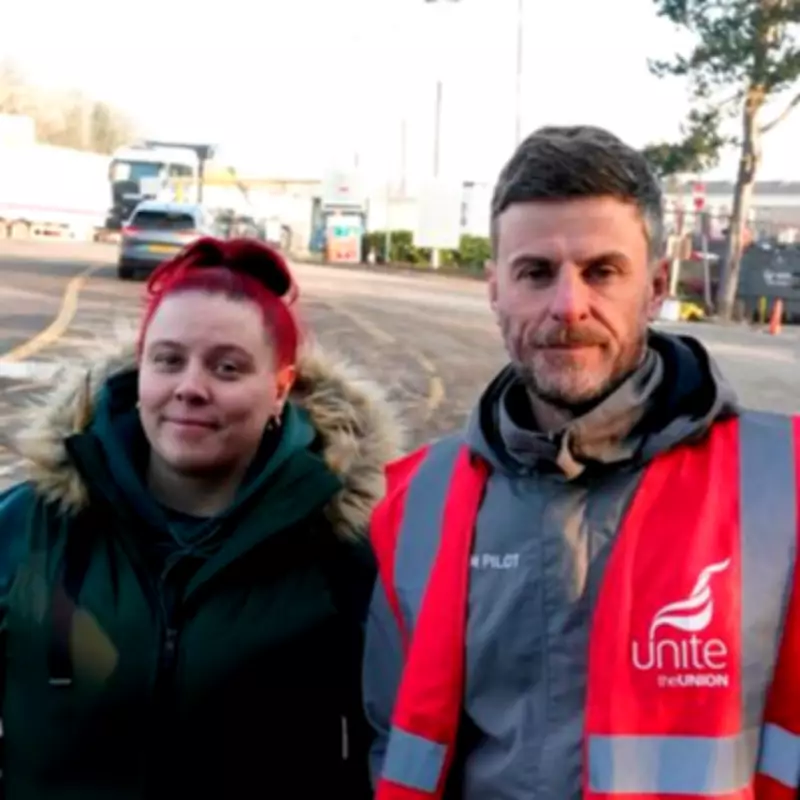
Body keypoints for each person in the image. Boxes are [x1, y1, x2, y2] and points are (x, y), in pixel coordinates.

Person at [363, 125, 800, 800]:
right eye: (535, 273)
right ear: (494, 289)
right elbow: (397, 742)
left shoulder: (786, 483)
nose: (568, 306)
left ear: (655, 285)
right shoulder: (416, 502)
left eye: (602, 271)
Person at [0, 237, 402, 799]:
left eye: (228, 368)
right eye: (168, 361)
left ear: (280, 388)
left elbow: (388, 749)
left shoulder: (344, 553)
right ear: (141, 373)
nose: (190, 388)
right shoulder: (33, 526)